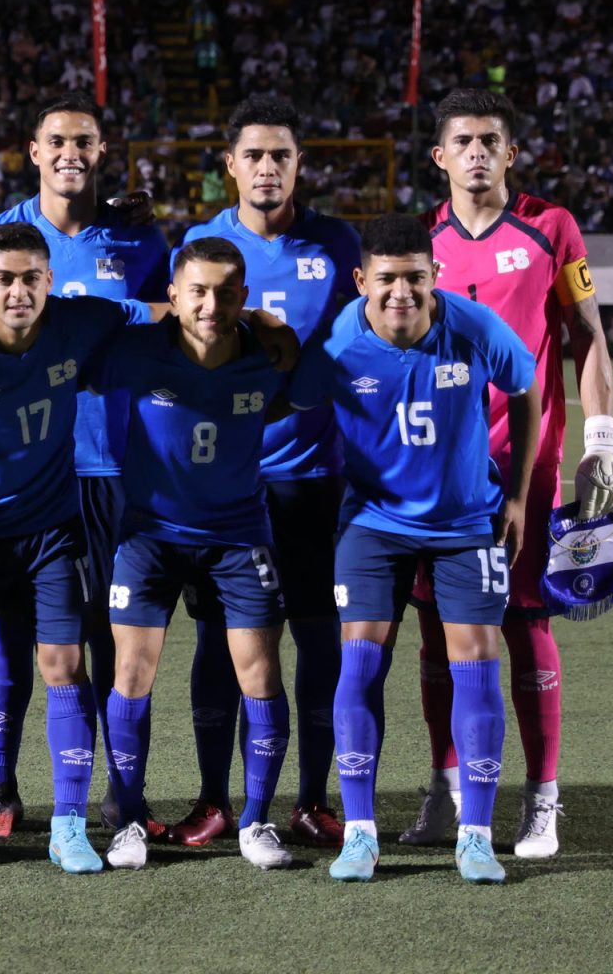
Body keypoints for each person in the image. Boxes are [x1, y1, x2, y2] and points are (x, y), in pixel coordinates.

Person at [403, 89, 613, 859]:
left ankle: (543, 802)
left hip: (524, 463)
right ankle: (445, 792)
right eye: (461, 140)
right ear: (439, 157)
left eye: (489, 140)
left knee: (524, 617)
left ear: (511, 153)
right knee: (435, 628)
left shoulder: (551, 227)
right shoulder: (417, 239)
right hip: (434, 467)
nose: (475, 152)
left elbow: (588, 335)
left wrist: (601, 441)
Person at [286, 212, 539, 885]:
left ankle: (476, 836)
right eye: (388, 278)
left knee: (476, 669)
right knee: (360, 666)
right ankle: (361, 835)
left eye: (415, 278)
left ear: (436, 276)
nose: (402, 291)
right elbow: (296, 398)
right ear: (361, 279)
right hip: (373, 523)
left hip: (465, 524)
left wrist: (515, 495)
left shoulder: (474, 326)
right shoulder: (340, 340)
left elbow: (526, 387)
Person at [0, 222, 161, 874]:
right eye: (5, 279)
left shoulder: (80, 322)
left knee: (63, 665)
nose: (19, 291)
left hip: (53, 534)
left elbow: (163, 309)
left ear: (50, 282)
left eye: (31, 279)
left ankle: (70, 827)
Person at [0, 94, 169, 840]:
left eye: (85, 139)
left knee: (114, 634)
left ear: (102, 150)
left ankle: (122, 793)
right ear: (34, 151)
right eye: (57, 140)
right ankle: (0, 790)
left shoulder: (140, 242)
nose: (71, 151)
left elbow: (166, 322)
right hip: (23, 468)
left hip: (112, 465)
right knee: (18, 633)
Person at [169, 96, 360, 848]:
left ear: (299, 166)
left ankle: (312, 799)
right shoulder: (199, 243)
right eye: (254, 155)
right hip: (226, 489)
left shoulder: (338, 244)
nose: (268, 168)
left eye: (281, 155)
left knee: (319, 642)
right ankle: (216, 798)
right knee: (220, 642)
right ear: (230, 167)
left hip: (315, 482)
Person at [88, 238, 293, 872]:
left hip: (237, 536)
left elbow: (293, 384)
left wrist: (273, 330)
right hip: (148, 537)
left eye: (225, 292)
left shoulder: (270, 358)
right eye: (196, 291)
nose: (210, 304)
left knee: (259, 676)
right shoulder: (134, 350)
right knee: (130, 676)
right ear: (172, 297)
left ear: (244, 298)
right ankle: (128, 818)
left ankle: (257, 820)